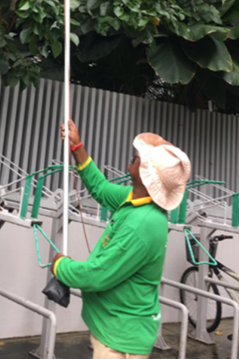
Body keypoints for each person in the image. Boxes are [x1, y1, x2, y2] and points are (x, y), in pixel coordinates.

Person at [52, 120, 191, 359]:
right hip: (113, 329)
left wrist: (60, 265)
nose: (135, 156)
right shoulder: (135, 198)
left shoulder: (144, 224)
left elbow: (97, 274)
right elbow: (101, 189)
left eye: (140, 158)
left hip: (121, 341)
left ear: (148, 176)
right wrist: (78, 148)